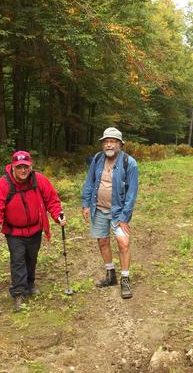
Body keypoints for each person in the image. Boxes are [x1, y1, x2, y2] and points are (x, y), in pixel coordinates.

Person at [0, 150, 67, 312]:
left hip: (35, 228)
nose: (23, 170)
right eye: (19, 167)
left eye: (26, 167)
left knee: (31, 258)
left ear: (31, 166)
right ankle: (19, 293)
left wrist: (57, 215)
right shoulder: (4, 183)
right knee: (18, 260)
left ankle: (30, 284)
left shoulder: (39, 180)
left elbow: (52, 199)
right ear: (13, 167)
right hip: (14, 232)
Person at [82, 127, 139, 299]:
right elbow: (90, 182)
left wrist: (124, 217)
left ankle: (125, 279)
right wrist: (85, 204)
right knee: (103, 242)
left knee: (123, 244)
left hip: (118, 212)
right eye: (106, 141)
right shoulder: (98, 159)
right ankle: (110, 275)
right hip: (98, 208)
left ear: (120, 144)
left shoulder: (130, 163)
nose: (108, 144)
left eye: (112, 141)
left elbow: (132, 194)